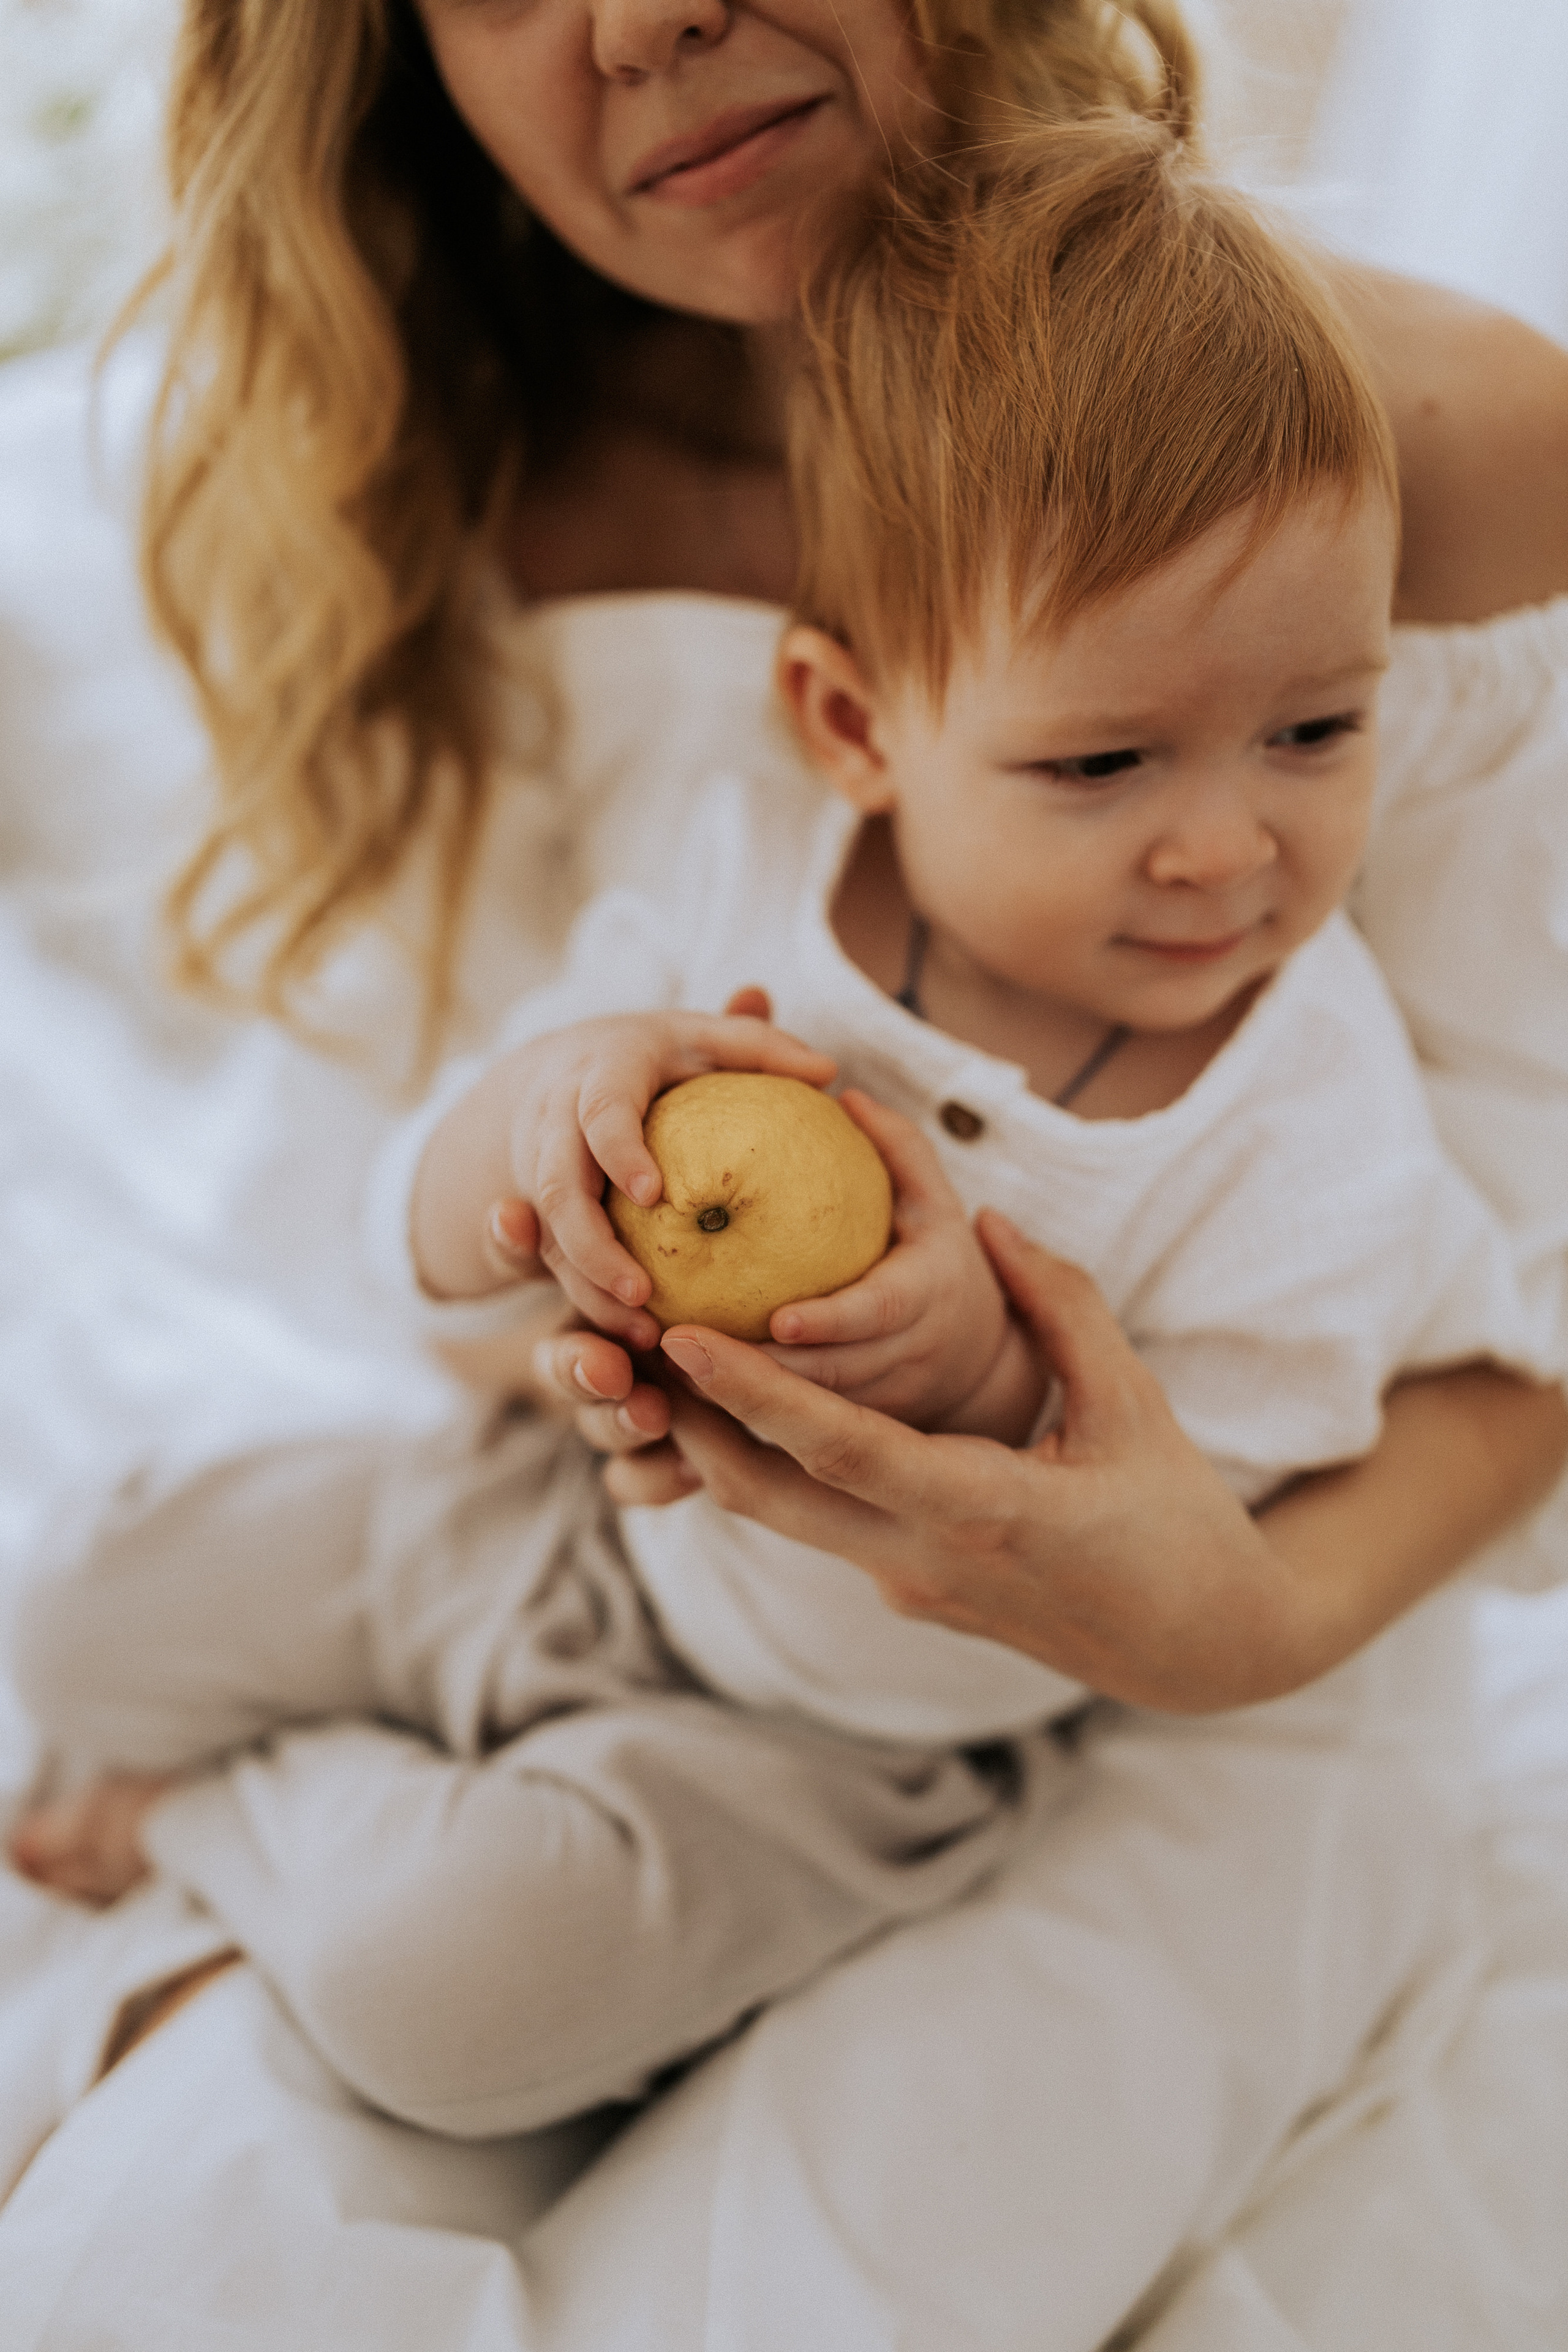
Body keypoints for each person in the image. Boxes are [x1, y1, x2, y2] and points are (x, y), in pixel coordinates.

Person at [1, 0, 1565, 2342]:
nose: (645, 18)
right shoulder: (464, 431)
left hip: (1165, 1653)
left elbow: (1503, 1304)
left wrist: (1216, 1615)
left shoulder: (1382, 454)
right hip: (593, 1520)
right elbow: (483, 1153)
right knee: (172, 2204)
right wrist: (556, 1216)